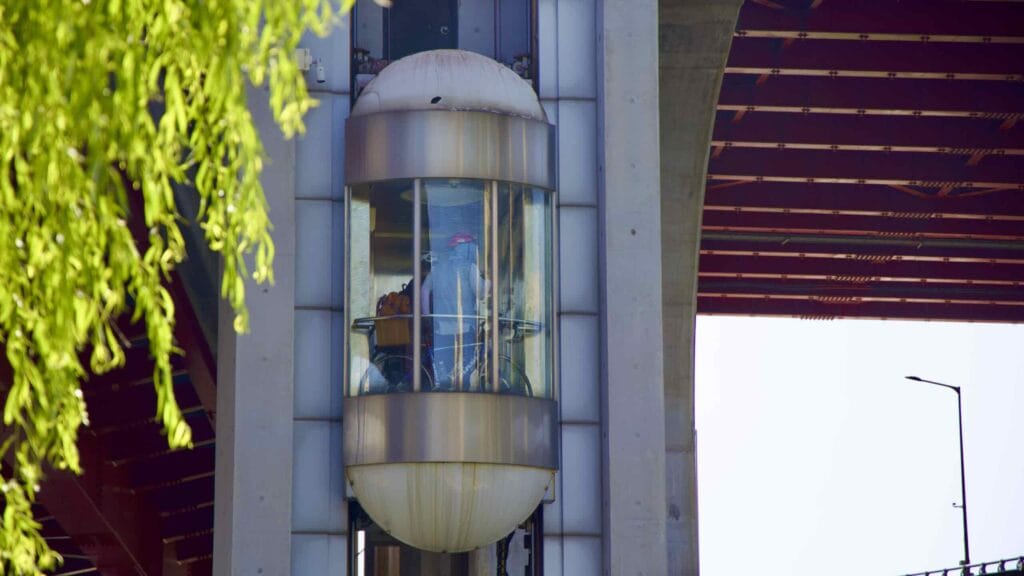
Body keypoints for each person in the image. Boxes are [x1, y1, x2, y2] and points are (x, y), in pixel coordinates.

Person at [421, 232, 487, 390]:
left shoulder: (437, 269)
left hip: (441, 328)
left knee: (445, 369)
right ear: (466, 249)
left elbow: (424, 290)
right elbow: (482, 293)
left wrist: (427, 316)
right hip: (464, 327)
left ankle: (444, 391)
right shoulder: (469, 268)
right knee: (465, 368)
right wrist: (489, 282)